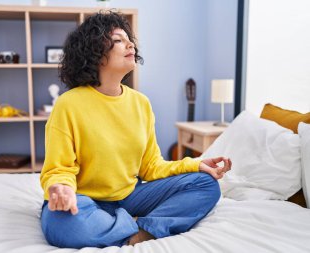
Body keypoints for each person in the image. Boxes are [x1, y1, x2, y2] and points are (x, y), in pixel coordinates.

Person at [40, 10, 232, 249]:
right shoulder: (69, 104)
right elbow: (58, 168)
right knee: (60, 223)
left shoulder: (141, 103)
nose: (130, 43)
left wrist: (196, 164)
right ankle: (136, 229)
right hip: (84, 199)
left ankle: (132, 230)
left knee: (206, 185)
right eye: (119, 40)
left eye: (129, 38)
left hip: (130, 197)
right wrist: (61, 188)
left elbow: (151, 167)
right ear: (94, 52)